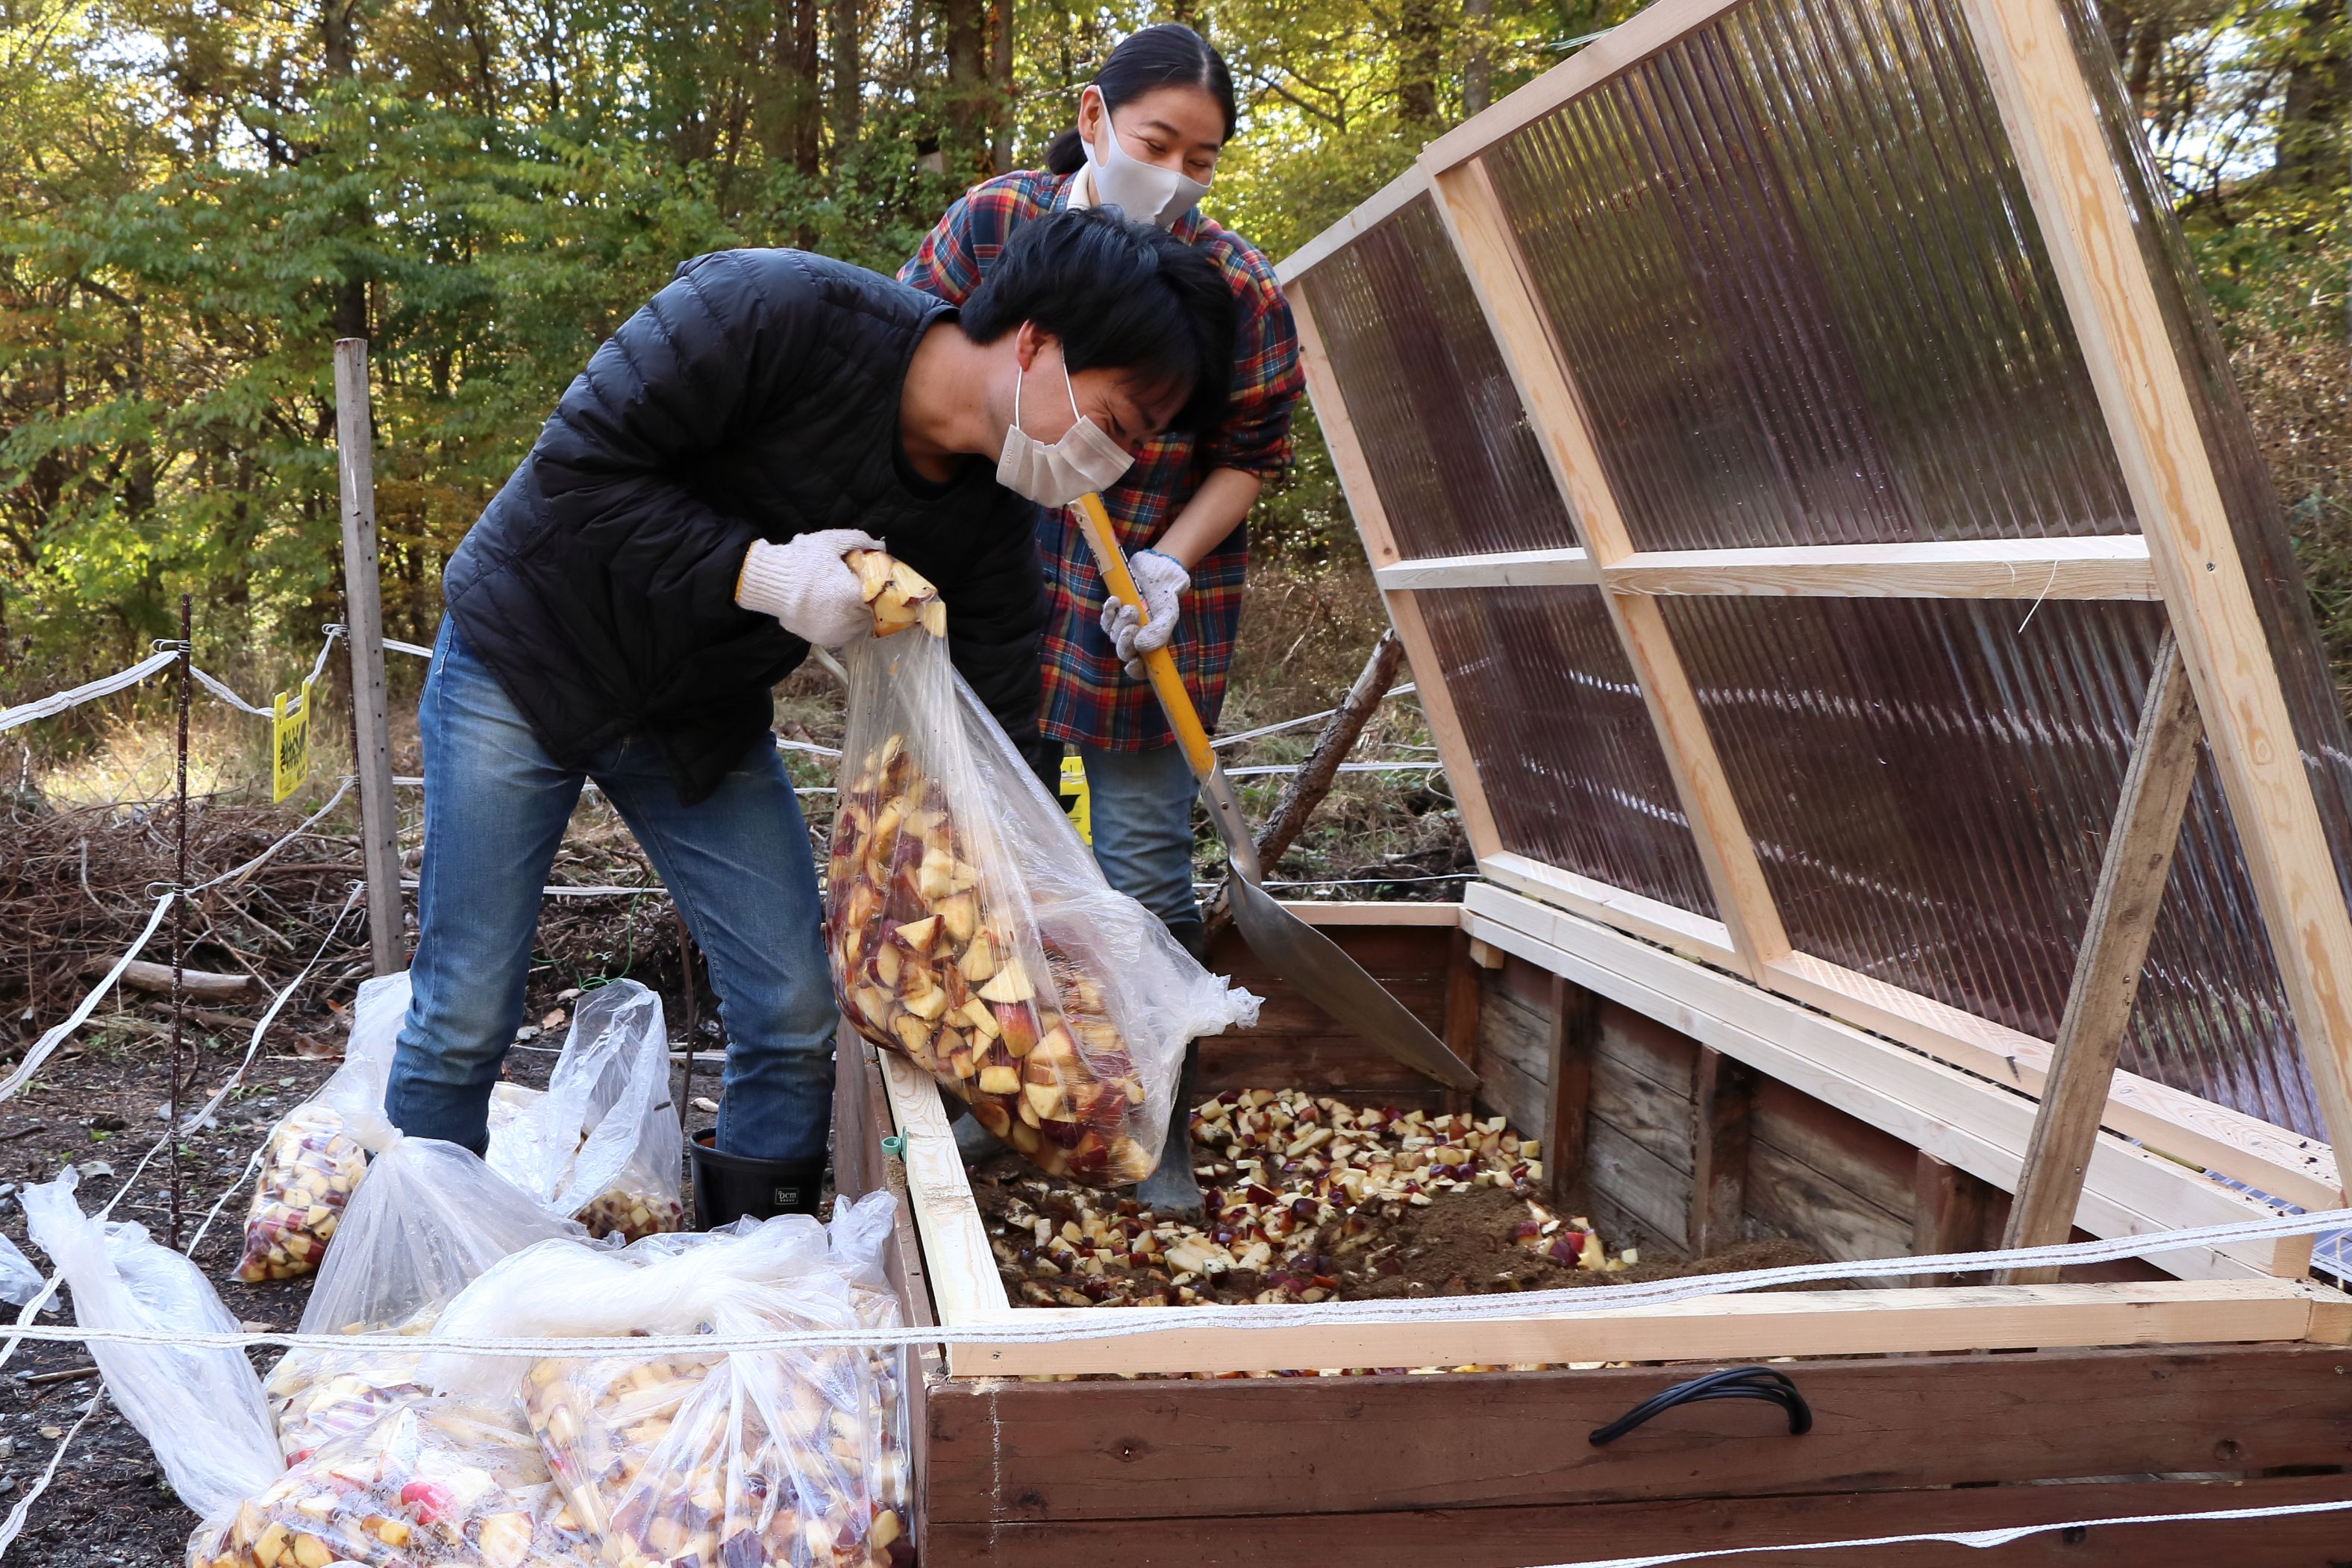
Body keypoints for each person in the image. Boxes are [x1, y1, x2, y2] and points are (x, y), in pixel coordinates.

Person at [385, 208, 1236, 1226]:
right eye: (1122, 421)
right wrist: (765, 572)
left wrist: (1051, 914)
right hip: (525, 654)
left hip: (695, 710)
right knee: (467, 1008)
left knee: (792, 1007)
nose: (1123, 462)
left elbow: (1003, 734)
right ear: (1038, 343)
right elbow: (578, 477)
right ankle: (418, 1284)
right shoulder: (772, 307)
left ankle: (763, 1276)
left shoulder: (989, 522)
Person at [901, 22, 1305, 1212]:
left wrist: (1171, 567)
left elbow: (1256, 454)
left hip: (1145, 596)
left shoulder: (1236, 282)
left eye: (1206, 158)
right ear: (1093, 120)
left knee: (1139, 871)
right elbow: (910, 359)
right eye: (1155, 143)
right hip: (994, 575)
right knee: (991, 850)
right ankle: (1005, 1100)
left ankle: (1153, 1118)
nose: (1178, 175)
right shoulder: (996, 225)